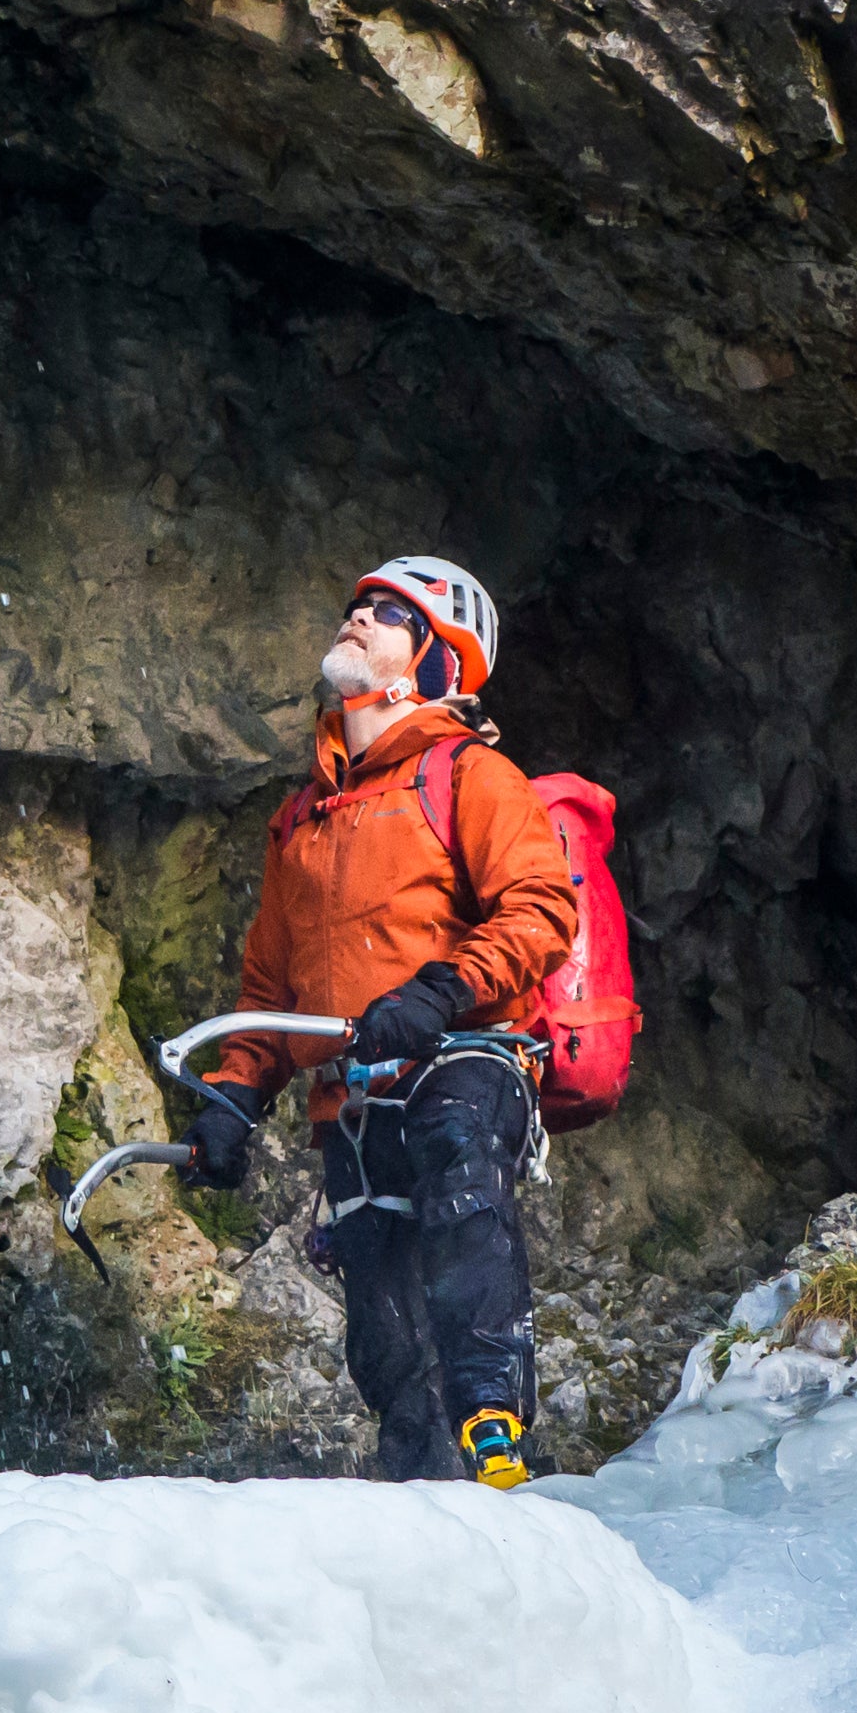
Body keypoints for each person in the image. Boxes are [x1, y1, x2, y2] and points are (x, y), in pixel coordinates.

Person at [180, 556, 579, 1487]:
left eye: (389, 611)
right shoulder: (302, 820)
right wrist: (233, 1097)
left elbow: (541, 909)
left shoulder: (469, 776)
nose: (358, 617)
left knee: (453, 1153)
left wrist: (442, 991)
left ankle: (494, 1427)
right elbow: (271, 982)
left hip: (465, 1061)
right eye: (358, 604)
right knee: (382, 1322)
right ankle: (420, 1473)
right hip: (352, 1102)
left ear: (437, 661)